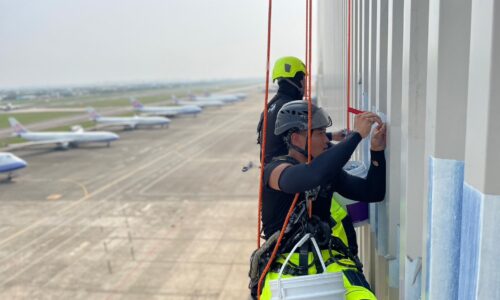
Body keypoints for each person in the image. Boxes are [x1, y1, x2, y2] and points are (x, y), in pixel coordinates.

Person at [249, 100, 386, 300]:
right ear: (296, 138)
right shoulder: (275, 171)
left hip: (328, 260)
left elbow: (373, 192)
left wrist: (377, 152)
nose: (326, 140)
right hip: (285, 267)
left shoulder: (326, 173)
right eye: (320, 133)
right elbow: (311, 176)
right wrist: (356, 135)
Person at [257, 56, 346, 164]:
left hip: (273, 172)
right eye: (304, 78)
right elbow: (303, 140)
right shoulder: (290, 109)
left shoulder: (272, 105)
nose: (305, 83)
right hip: (288, 173)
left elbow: (292, 137)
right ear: (299, 81)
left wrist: (332, 136)